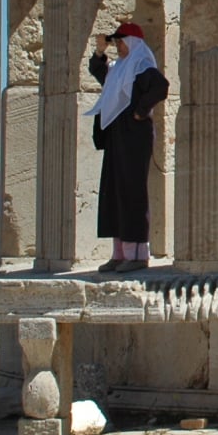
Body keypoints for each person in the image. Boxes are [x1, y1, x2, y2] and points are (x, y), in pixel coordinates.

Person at [86, 22, 168, 274]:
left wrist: (140, 112)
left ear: (133, 43)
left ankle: (137, 254)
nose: (119, 46)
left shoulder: (141, 66)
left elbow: (160, 87)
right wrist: (100, 51)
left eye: (121, 41)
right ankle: (119, 253)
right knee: (114, 192)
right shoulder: (118, 69)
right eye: (117, 42)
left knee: (132, 192)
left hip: (135, 137)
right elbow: (98, 69)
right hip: (117, 137)